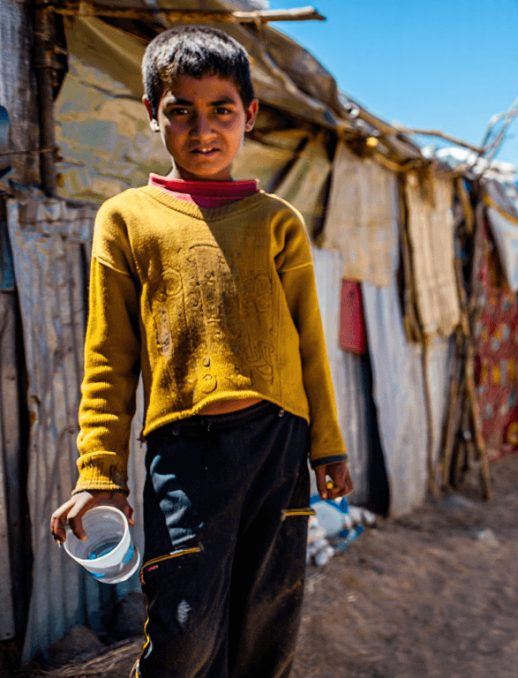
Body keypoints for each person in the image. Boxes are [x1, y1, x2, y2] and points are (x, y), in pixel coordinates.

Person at [48, 25, 352, 677]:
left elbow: (308, 342)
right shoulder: (127, 218)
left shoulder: (277, 221)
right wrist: (99, 473)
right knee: (185, 635)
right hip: (185, 452)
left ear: (251, 114)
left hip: (277, 443)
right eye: (181, 110)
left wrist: (327, 446)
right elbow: (108, 359)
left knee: (266, 632)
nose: (203, 129)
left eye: (222, 110)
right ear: (151, 113)